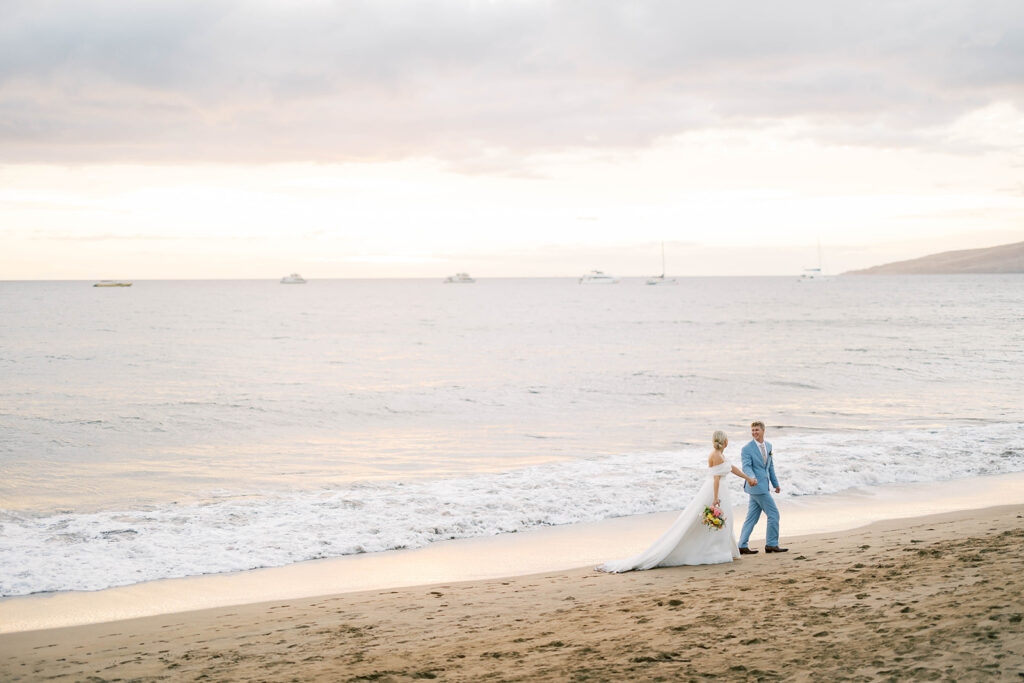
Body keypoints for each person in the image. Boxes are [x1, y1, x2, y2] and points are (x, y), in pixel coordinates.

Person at [597, 430, 757, 573]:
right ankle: (715, 552)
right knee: (712, 522)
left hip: (721, 490)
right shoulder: (715, 455)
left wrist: (748, 478)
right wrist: (715, 498)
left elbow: (731, 468)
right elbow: (716, 478)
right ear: (725, 441)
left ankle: (722, 550)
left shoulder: (721, 455)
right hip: (714, 491)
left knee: (723, 522)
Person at [737, 421, 788, 554]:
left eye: (756, 430)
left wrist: (775, 483)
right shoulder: (746, 448)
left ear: (763, 430)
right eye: (752, 430)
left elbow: (770, 467)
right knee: (774, 514)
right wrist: (751, 477)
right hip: (756, 486)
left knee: (752, 518)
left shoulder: (769, 446)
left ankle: (742, 545)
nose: (754, 432)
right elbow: (746, 466)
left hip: (764, 486)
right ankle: (771, 544)